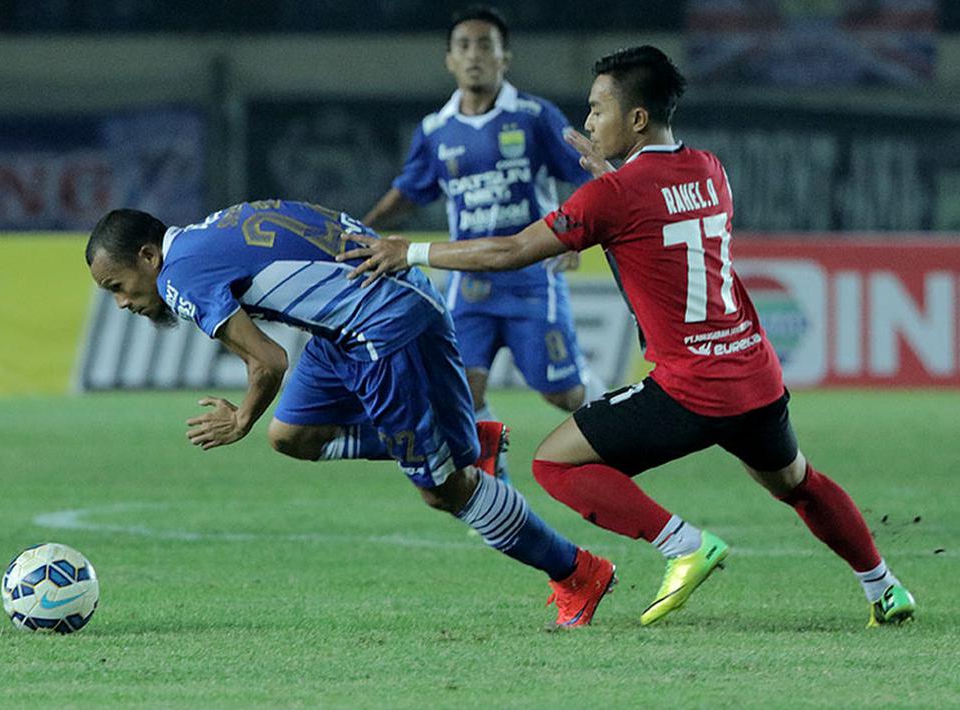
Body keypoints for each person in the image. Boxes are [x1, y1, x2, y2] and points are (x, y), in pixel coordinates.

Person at [338, 46, 916, 628]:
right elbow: (654, 218)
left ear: (636, 118)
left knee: (555, 465)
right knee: (797, 482)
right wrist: (613, 181)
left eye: (598, 109)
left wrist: (408, 251)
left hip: (691, 387)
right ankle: (885, 587)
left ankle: (684, 544)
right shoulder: (709, 169)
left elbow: (511, 250)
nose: (588, 123)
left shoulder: (612, 197)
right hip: (753, 374)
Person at [84, 199, 616, 628]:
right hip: (365, 318)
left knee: (444, 490)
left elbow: (268, 361)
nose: (122, 303)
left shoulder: (179, 276)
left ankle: (577, 572)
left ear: (149, 256)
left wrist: (240, 418)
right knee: (292, 435)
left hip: (379, 331)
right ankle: (464, 441)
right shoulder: (213, 227)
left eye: (117, 287)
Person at [362, 5, 604, 463]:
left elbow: (589, 171)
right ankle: (495, 485)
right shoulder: (435, 130)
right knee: (461, 394)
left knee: (562, 394)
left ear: (504, 58)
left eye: (485, 46)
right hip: (469, 284)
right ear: (449, 59)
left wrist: (578, 231)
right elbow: (409, 192)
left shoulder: (534, 116)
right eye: (464, 46)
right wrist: (362, 228)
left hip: (532, 278)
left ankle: (613, 414)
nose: (474, 55)